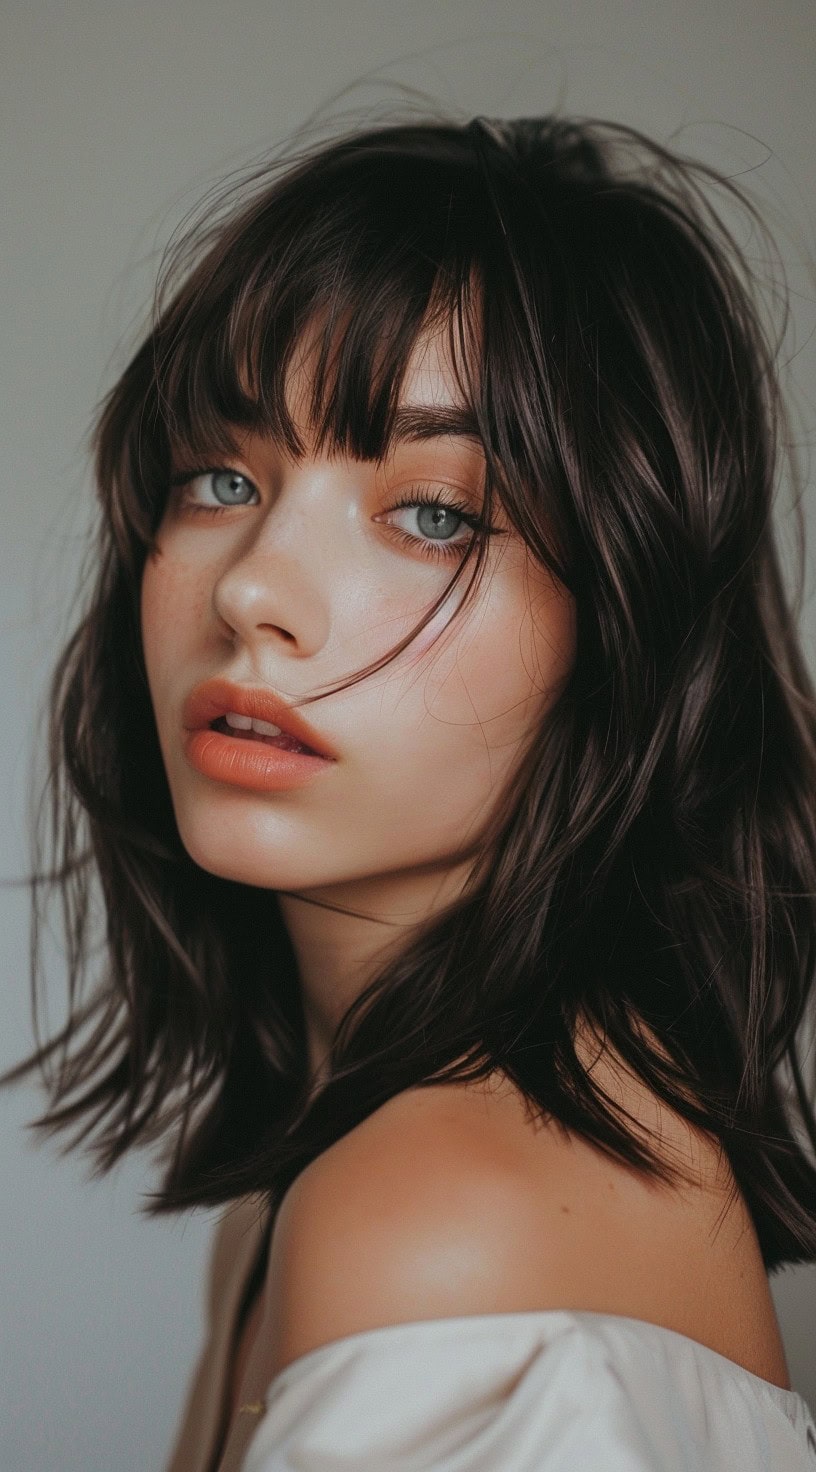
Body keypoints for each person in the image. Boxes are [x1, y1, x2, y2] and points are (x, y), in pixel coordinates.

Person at [4, 109, 816, 1470]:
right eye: (220, 475)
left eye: (432, 513)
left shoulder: (445, 1221)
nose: (254, 587)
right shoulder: (328, 1182)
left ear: (622, 629)